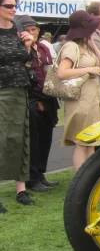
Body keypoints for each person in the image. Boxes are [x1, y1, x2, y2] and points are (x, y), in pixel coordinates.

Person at [57, 10, 100, 171]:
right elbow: (62, 72)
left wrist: (93, 44)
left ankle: (90, 182)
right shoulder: (71, 47)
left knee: (91, 143)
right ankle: (80, 183)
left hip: (92, 100)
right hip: (80, 101)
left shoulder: (85, 46)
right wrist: (89, 70)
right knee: (82, 144)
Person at [0, 0, 35, 212]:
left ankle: (20, 189)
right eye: (9, 6)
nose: (14, 10)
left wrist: (29, 45)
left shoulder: (18, 30)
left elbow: (27, 59)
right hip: (1, 90)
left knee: (21, 137)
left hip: (20, 88)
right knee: (2, 140)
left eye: (15, 6)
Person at [16, 15, 59, 192]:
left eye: (34, 29)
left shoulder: (43, 47)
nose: (32, 33)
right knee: (32, 140)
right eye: (28, 30)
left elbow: (50, 71)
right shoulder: (21, 49)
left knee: (46, 138)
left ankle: (40, 173)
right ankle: (31, 178)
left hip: (48, 96)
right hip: (31, 97)